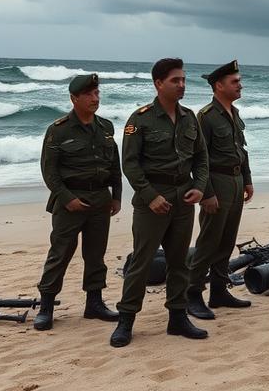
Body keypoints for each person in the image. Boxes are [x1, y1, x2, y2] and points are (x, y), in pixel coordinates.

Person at [110, 58, 210, 347]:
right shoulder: (140, 119)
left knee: (179, 263)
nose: (181, 85)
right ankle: (126, 320)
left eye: (183, 80)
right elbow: (129, 164)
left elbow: (201, 159)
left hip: (183, 200)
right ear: (158, 84)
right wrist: (150, 196)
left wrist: (200, 188)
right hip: (151, 200)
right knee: (141, 263)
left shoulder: (190, 118)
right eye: (175, 80)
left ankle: (177, 319)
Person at [34, 73, 122, 331]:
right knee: (60, 254)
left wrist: (116, 195)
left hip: (100, 200)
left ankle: (94, 303)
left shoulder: (106, 127)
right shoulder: (58, 130)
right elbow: (49, 172)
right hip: (69, 201)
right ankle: (46, 307)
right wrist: (67, 199)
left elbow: (114, 166)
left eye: (97, 94)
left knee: (96, 255)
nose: (96, 98)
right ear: (74, 98)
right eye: (90, 95)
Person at [187, 60, 255, 320]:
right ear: (219, 86)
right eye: (235, 82)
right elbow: (198, 158)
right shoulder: (205, 117)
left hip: (236, 183)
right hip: (217, 183)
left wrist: (247, 179)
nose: (240, 85)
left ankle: (218, 291)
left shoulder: (234, 113)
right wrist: (206, 193)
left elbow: (241, 150)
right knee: (208, 242)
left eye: (239, 81)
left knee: (227, 241)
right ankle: (192, 294)